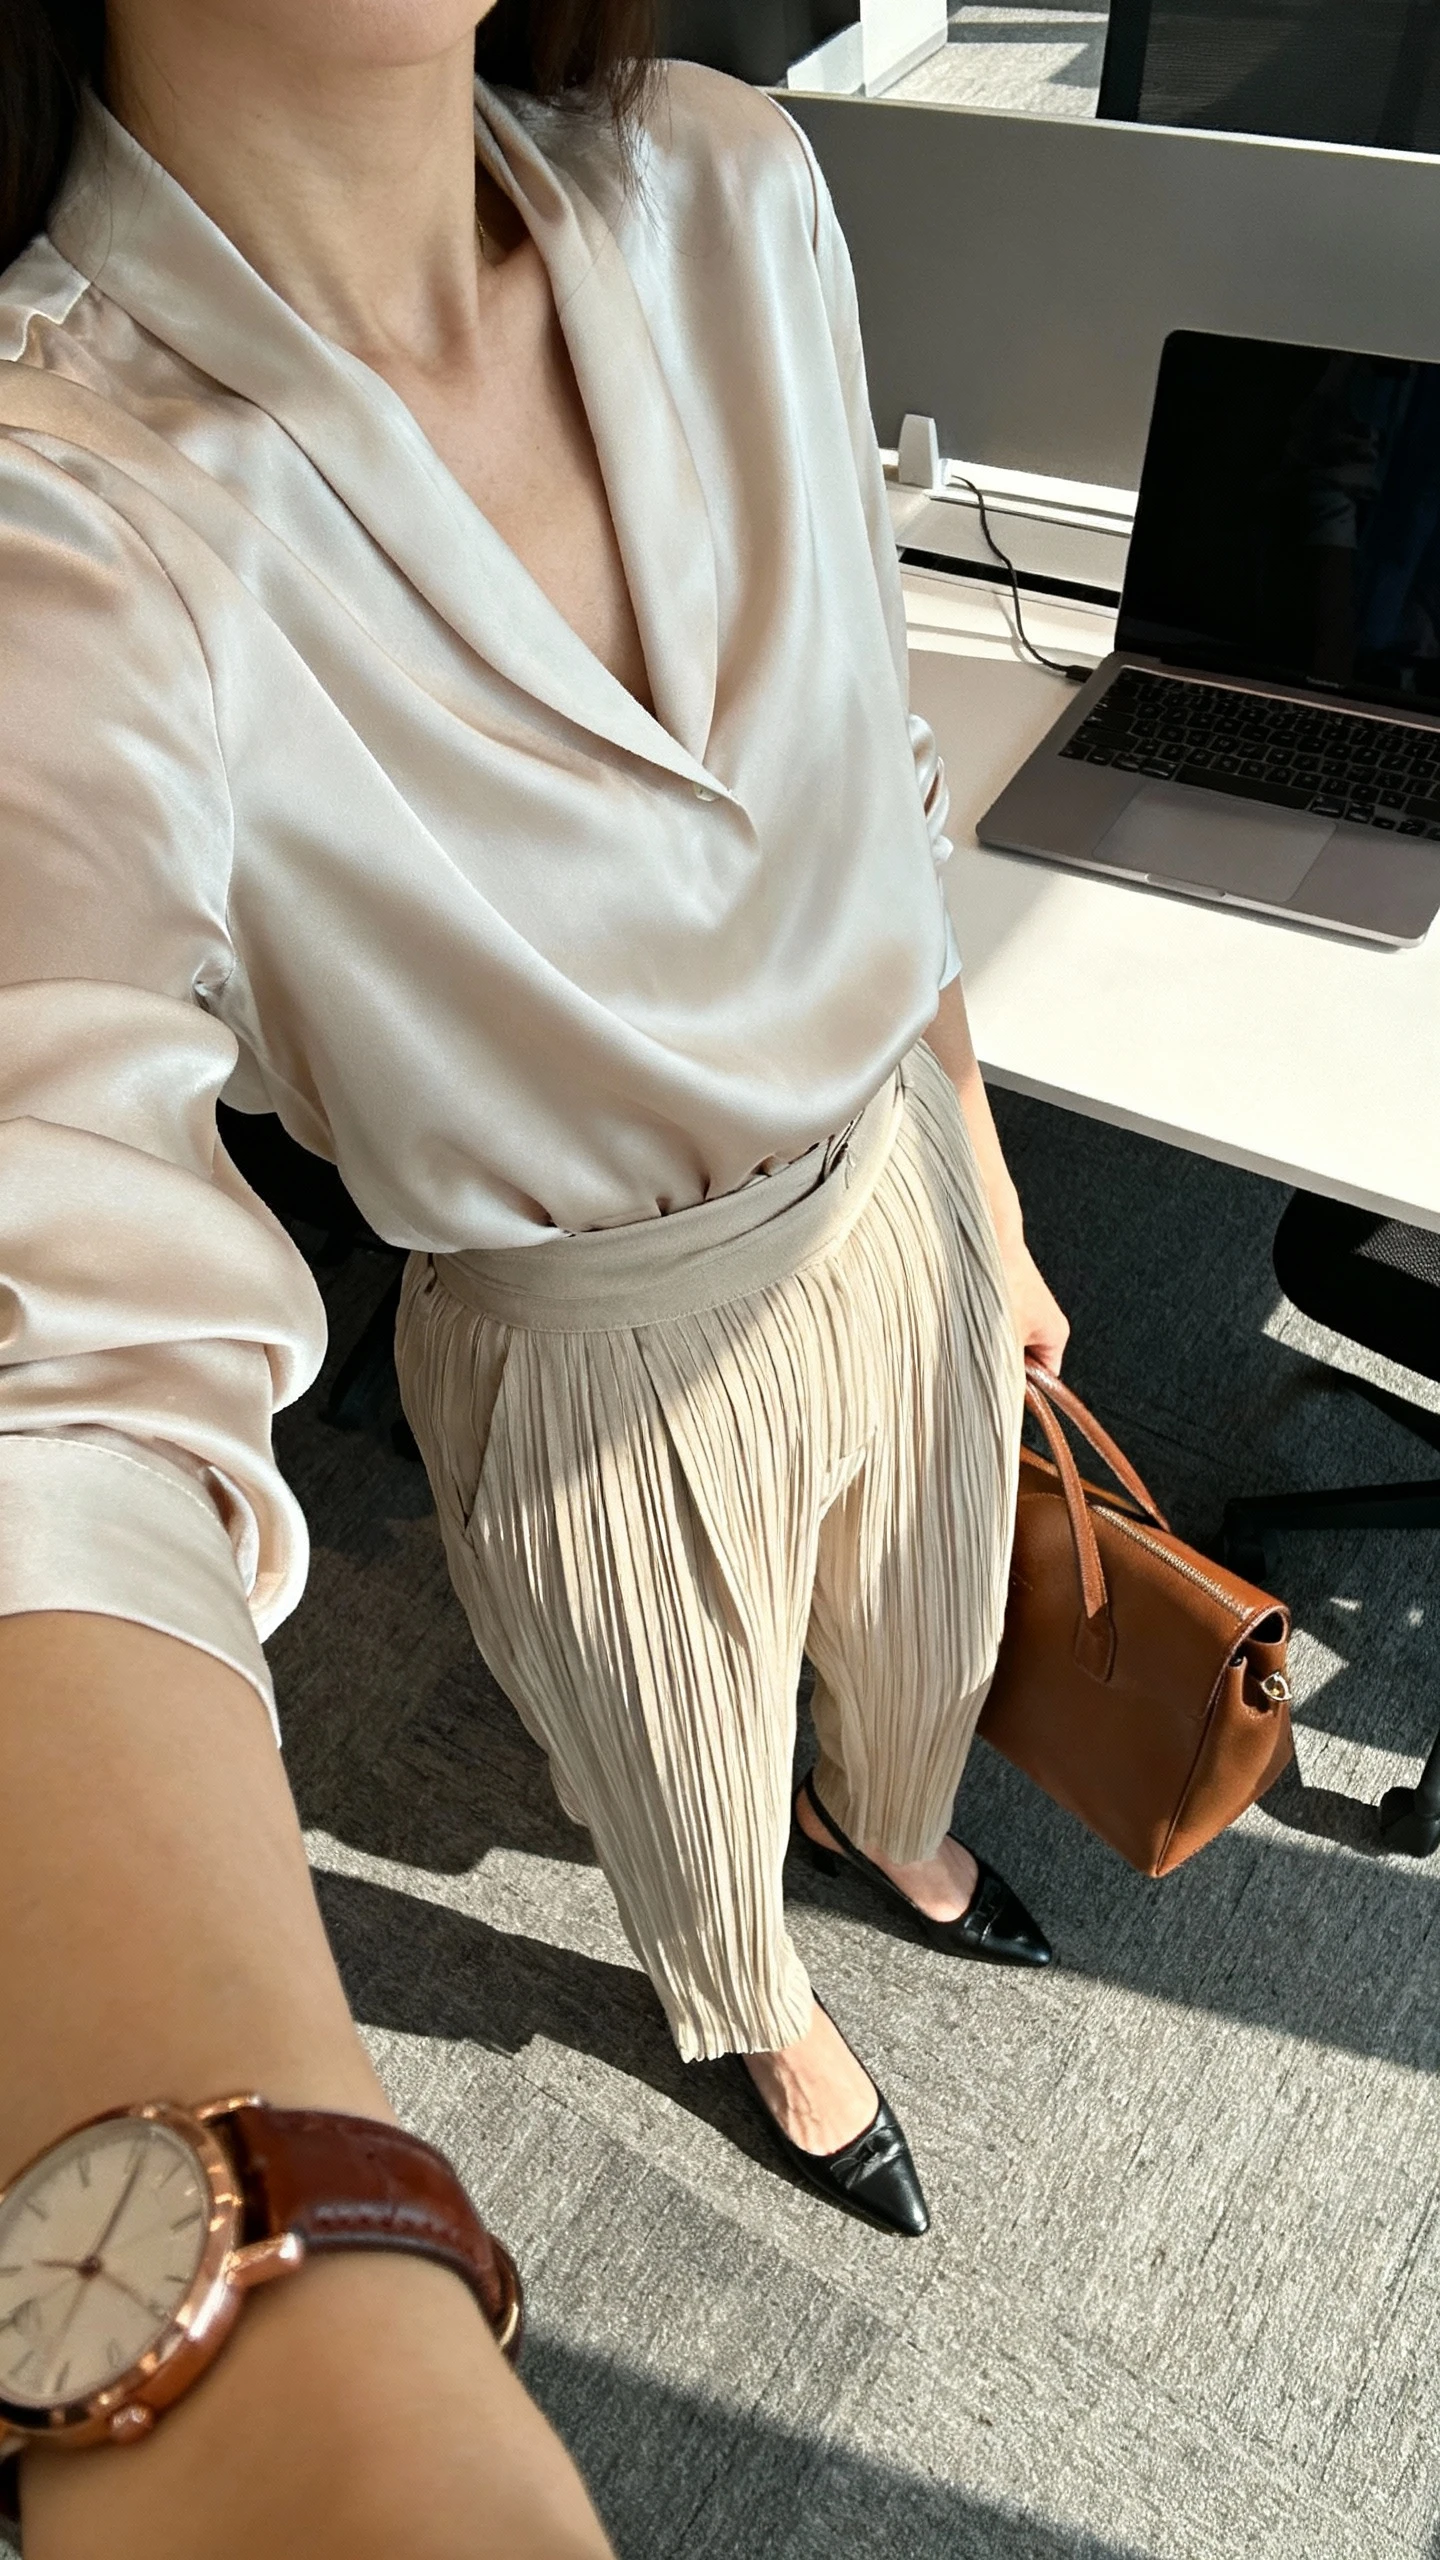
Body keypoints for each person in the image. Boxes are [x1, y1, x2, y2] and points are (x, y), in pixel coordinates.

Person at [0, 0, 1067, 2544]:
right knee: (679, 1794)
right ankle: (763, 2011)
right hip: (598, 1355)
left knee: (923, 1656)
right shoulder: (65, 497)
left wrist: (992, 1184)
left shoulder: (727, 180)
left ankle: (891, 1825)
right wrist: (282, 2337)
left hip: (899, 1207)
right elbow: (55, 1396)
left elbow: (884, 779)